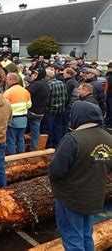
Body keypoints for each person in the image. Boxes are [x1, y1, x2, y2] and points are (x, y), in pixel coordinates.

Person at [49, 101, 112, 251]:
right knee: (86, 234)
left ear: (78, 116)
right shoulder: (108, 138)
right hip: (94, 196)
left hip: (70, 197)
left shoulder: (72, 139)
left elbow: (56, 171)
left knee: (72, 237)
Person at [3, 73, 31, 155]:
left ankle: (13, 158)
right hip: (23, 119)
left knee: (11, 140)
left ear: (12, 80)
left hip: (12, 120)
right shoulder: (25, 91)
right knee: (21, 139)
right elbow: (29, 105)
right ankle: (21, 157)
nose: (6, 81)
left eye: (7, 79)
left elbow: (4, 107)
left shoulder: (8, 92)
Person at [26, 68, 50, 151]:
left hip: (31, 111)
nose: (33, 75)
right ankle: (34, 149)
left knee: (19, 130)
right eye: (33, 73)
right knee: (36, 132)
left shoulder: (36, 84)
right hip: (40, 112)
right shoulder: (46, 84)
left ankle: (19, 149)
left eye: (35, 74)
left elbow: (26, 93)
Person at [44, 68, 68, 149]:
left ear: (48, 77)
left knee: (49, 129)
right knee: (58, 128)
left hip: (50, 111)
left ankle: (49, 146)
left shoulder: (48, 85)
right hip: (61, 110)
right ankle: (58, 144)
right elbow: (66, 96)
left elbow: (46, 99)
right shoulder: (61, 83)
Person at [106, 62, 112, 128]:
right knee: (108, 109)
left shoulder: (108, 75)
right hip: (108, 94)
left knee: (110, 109)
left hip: (110, 95)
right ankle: (108, 121)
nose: (108, 68)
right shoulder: (108, 74)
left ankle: (110, 123)